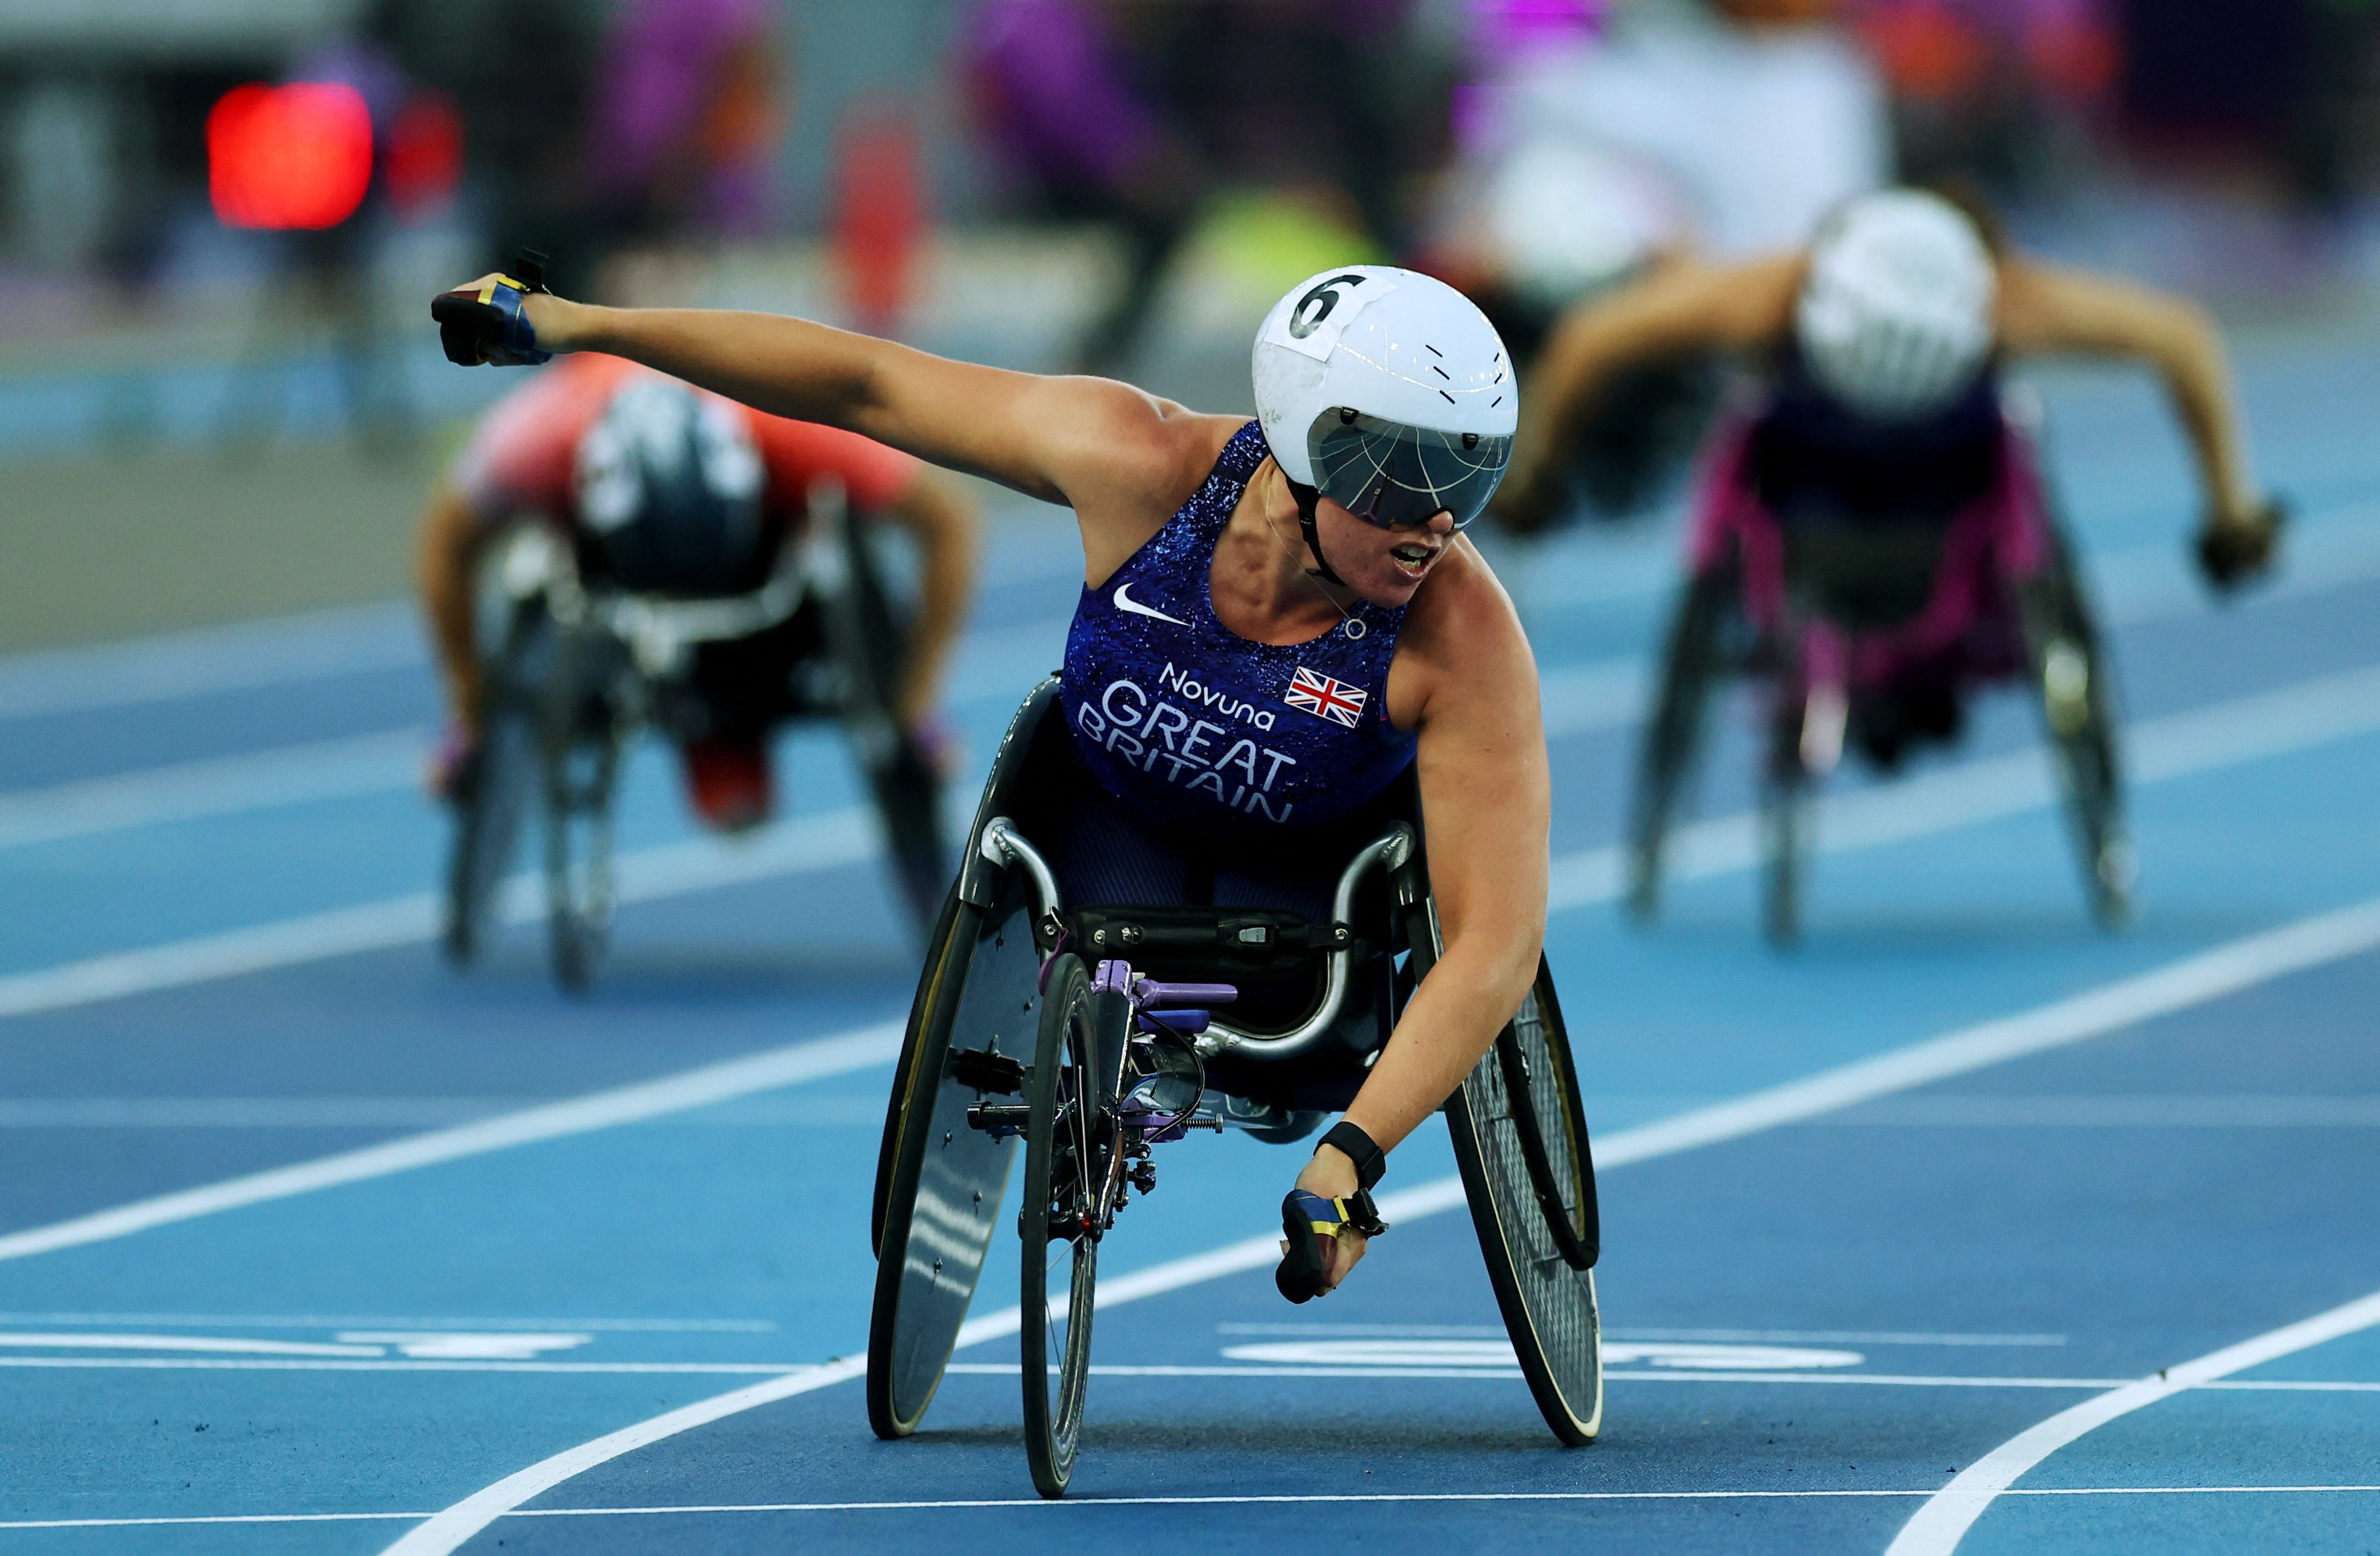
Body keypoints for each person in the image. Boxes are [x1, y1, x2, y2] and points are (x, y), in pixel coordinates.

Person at [432, 260, 1548, 1302]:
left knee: (1308, 1047)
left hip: (1317, 889)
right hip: (1112, 828)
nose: (1435, 523)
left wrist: (1346, 1163)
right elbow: (862, 381)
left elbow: (1495, 940)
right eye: (1400, 480)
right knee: (1091, 913)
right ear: (1302, 451)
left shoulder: (1463, 636)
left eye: (1466, 473)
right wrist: (576, 324)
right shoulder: (1137, 464)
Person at [1498, 185, 2283, 609]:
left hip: (1942, 501)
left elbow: (1593, 336)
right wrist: (2228, 510)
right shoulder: (1779, 289)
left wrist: (1538, 476)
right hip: (1811, 498)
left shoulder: (2002, 295)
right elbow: (2180, 337)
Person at [417, 348, 978, 832]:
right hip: (612, 587)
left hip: (765, 589)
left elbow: (948, 527)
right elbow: (446, 547)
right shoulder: (538, 434)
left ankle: (730, 731)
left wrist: (917, 700)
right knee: (728, 798)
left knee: (737, 795)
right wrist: (468, 707)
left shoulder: (799, 425)